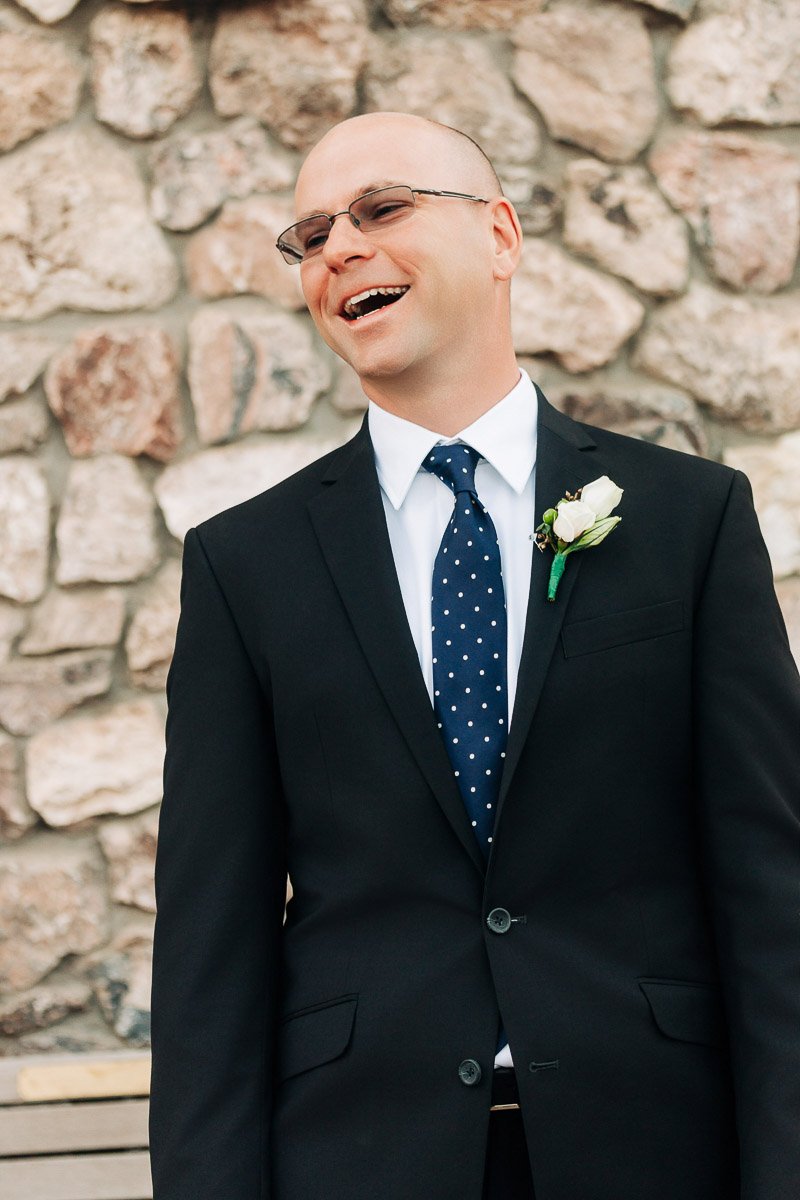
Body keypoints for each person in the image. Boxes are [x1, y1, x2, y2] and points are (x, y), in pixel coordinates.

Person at [148, 112, 800, 1200]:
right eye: (311, 235)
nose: (339, 247)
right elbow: (209, 951)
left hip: (652, 1149)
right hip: (358, 1160)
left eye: (381, 208)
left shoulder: (689, 522)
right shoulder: (242, 566)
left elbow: (771, 901)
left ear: (498, 236)